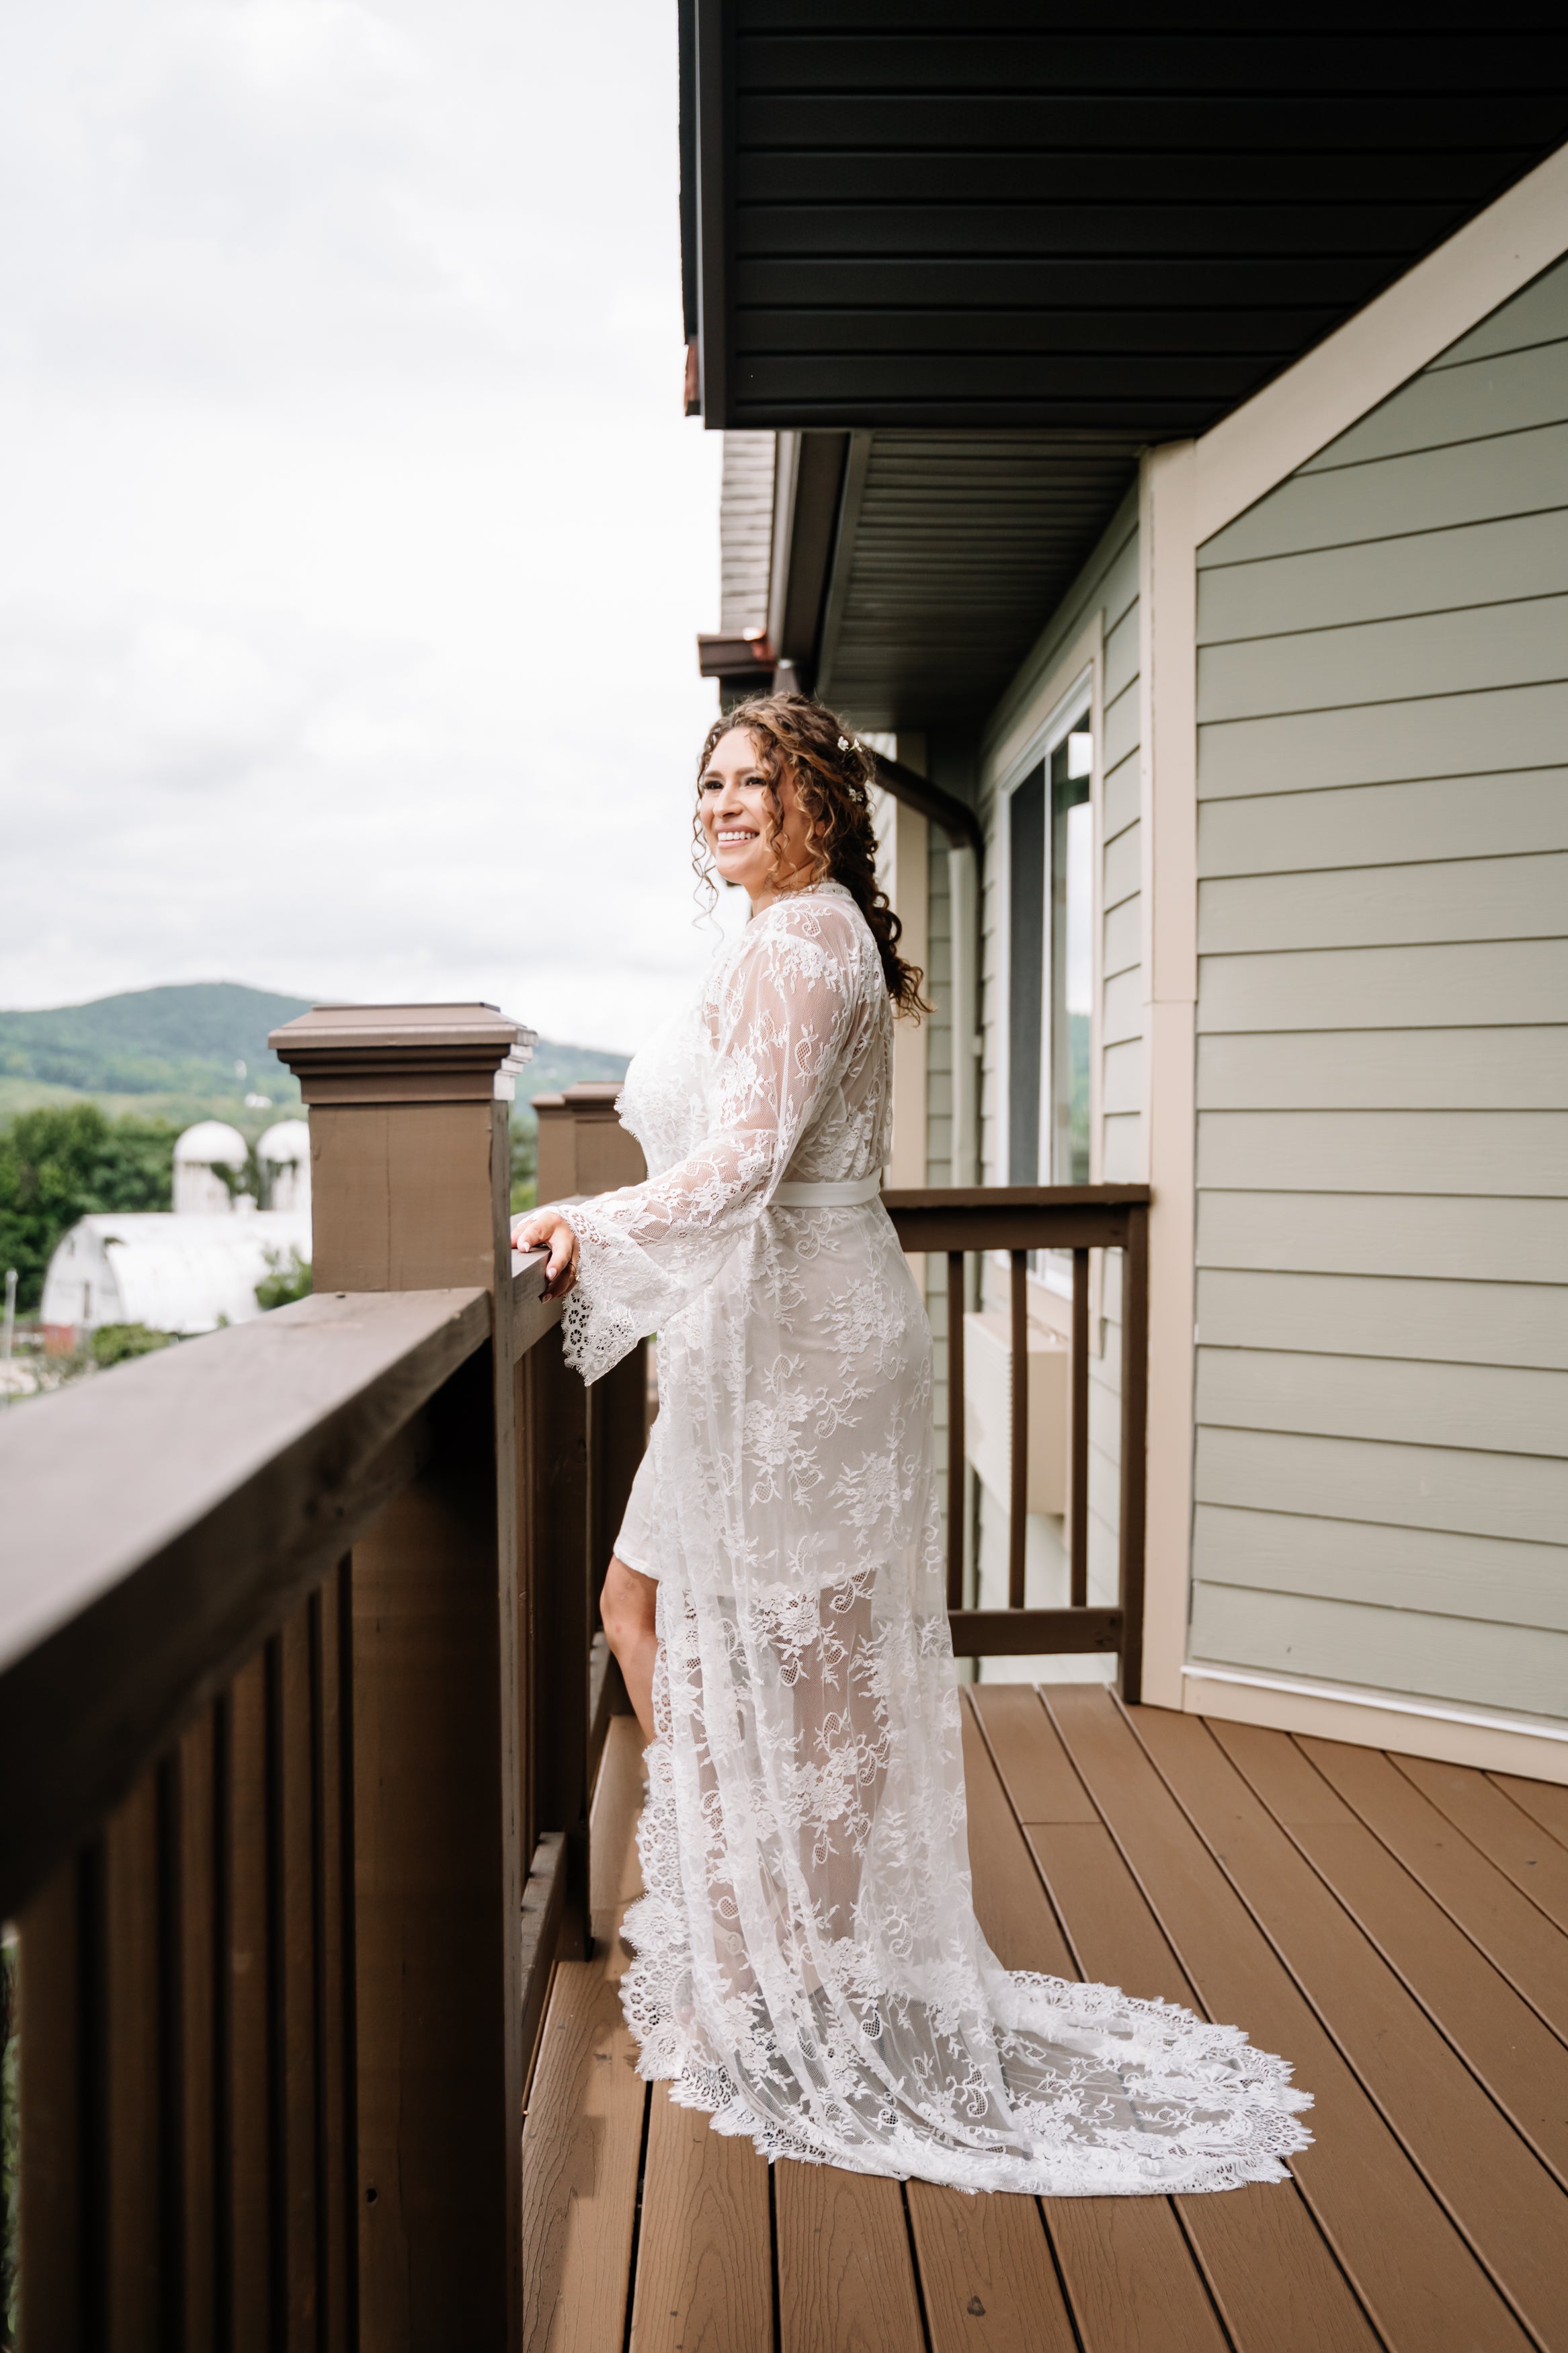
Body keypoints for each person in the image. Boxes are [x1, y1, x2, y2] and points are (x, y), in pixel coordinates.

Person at [514, 694, 1311, 2195]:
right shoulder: (770, 939)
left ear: (821, 806)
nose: (728, 800)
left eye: (760, 779)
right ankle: (742, 1935)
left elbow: (747, 1163)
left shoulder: (813, 945)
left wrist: (574, 1218)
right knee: (644, 1604)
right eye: (713, 780)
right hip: (749, 1338)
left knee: (811, 1676)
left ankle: (772, 1982)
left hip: (807, 1346)